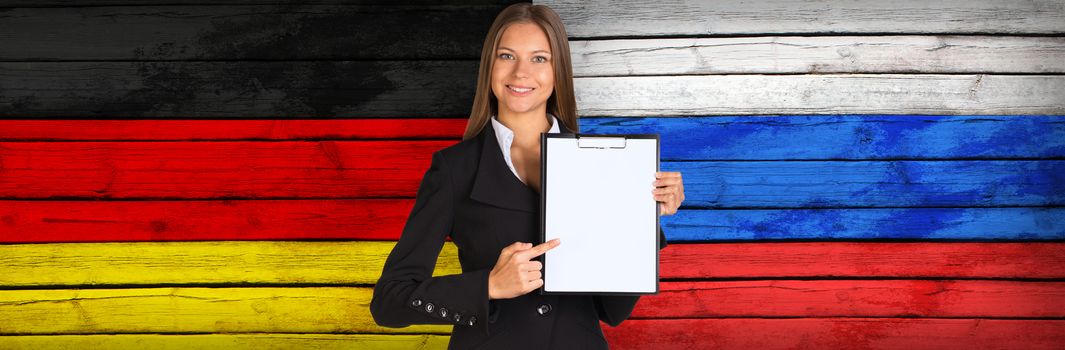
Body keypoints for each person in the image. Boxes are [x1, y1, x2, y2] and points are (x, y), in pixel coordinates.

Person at [370, 3, 685, 349]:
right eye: (507, 56)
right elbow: (389, 302)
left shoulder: (607, 165)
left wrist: (643, 219)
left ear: (558, 71)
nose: (521, 72)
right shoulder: (454, 169)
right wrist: (488, 286)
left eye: (539, 58)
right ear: (489, 66)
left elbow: (611, 309)